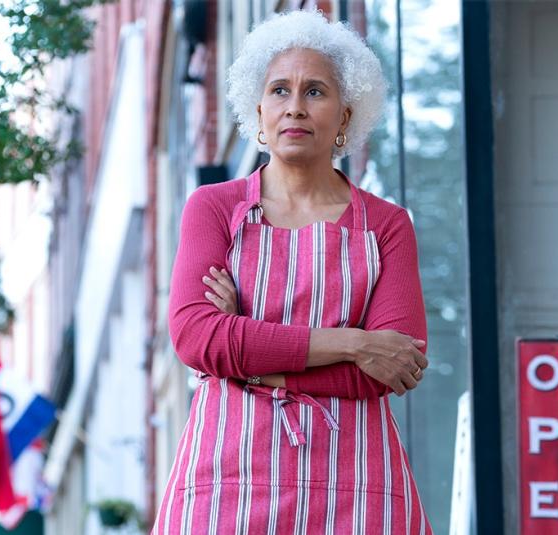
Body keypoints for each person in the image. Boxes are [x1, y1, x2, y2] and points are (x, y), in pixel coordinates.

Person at [152, 9, 432, 534]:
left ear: (346, 115)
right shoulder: (214, 208)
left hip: (357, 486)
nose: (295, 107)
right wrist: (353, 342)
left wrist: (245, 358)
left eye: (316, 92)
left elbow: (396, 365)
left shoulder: (388, 225)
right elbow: (195, 338)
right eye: (280, 91)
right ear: (258, 110)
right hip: (227, 482)